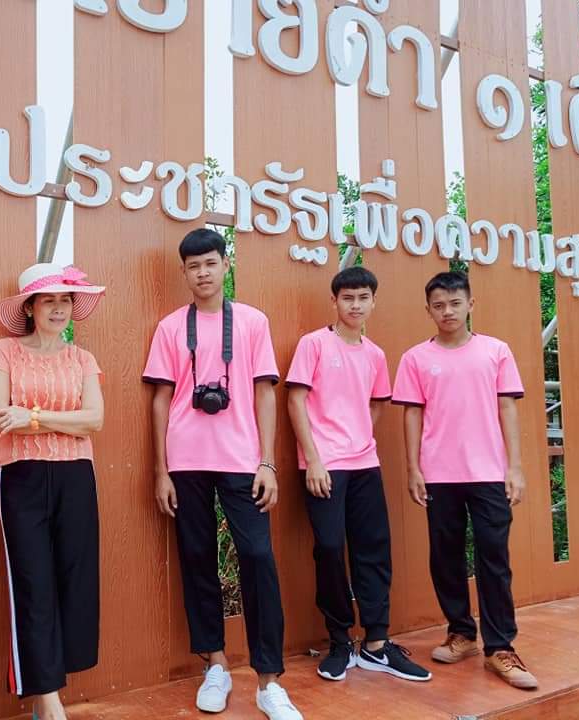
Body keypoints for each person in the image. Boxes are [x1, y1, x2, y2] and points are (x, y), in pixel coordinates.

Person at [143, 228, 302, 720]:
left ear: (225, 264)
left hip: (241, 460)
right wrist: (161, 470)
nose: (203, 273)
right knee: (197, 558)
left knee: (258, 557)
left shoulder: (252, 322)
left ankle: (269, 680)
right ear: (184, 272)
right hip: (186, 460)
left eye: (210, 263)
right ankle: (215, 664)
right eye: (193, 266)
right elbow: (161, 399)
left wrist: (267, 462)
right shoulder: (171, 327)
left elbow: (265, 392)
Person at [285, 266, 431, 683]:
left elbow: (377, 401)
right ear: (334, 301)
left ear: (373, 302)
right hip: (324, 466)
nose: (355, 305)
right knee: (330, 549)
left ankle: (376, 644)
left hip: (365, 463)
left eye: (363, 298)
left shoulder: (375, 354)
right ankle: (339, 641)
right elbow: (296, 400)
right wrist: (314, 459)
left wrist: (359, 434)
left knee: (373, 549)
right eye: (347, 297)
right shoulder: (314, 344)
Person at [393, 271, 538, 690]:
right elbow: (412, 414)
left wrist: (514, 467)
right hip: (439, 474)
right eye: (439, 305)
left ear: (470, 305)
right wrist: (413, 468)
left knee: (494, 557)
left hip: (489, 472)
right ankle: (461, 632)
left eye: (455, 303)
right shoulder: (416, 358)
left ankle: (500, 647)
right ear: (428, 310)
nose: (448, 312)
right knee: (445, 556)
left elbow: (508, 408)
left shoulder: (495, 351)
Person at [0, 263, 106, 720]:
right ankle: (47, 698)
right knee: (32, 580)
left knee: (76, 578)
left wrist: (32, 417)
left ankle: (50, 685)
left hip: (76, 475)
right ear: (30, 308)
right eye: (48, 300)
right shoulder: (4, 352)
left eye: (65, 300)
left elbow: (95, 420)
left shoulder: (83, 360)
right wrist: (62, 421)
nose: (58, 308)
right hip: (21, 475)